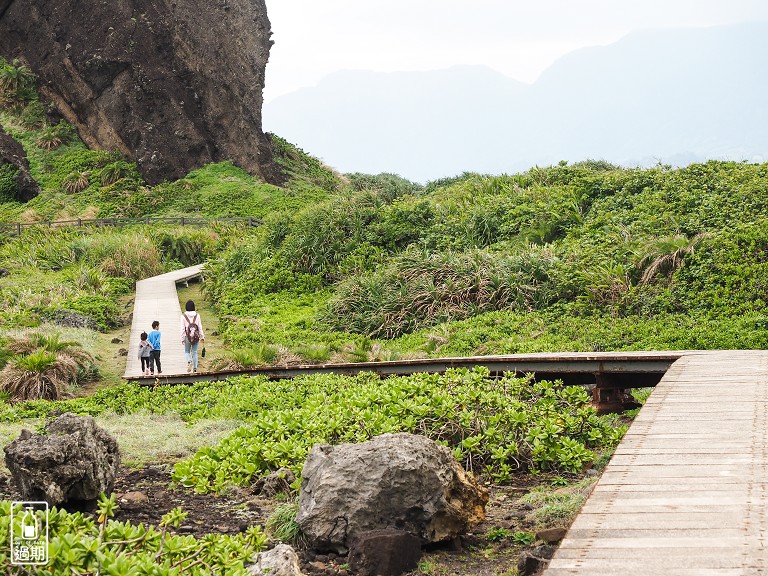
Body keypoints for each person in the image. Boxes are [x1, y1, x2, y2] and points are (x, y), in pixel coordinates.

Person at [181, 300, 205, 373]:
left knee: (187, 351)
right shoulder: (197, 316)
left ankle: (189, 361)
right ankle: (195, 368)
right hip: (196, 336)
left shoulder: (183, 316)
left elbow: (182, 328)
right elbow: (200, 327)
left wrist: (182, 338)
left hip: (187, 336)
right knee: (194, 352)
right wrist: (202, 336)